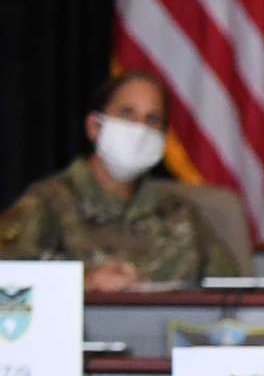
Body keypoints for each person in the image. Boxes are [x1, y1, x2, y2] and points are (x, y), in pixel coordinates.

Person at [0, 71, 234, 290]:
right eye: (127, 114)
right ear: (94, 126)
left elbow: (235, 293)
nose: (140, 129)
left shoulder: (180, 213)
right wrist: (84, 284)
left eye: (152, 120)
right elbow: (8, 288)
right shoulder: (47, 203)